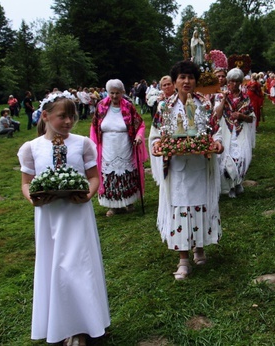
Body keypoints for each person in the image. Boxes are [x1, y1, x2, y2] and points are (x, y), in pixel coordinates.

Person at [17, 93, 110, 345]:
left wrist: (88, 194)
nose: (68, 121)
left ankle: (83, 324)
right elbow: (26, 184)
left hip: (77, 214)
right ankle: (60, 323)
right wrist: (33, 198)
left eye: (72, 116)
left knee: (78, 266)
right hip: (49, 216)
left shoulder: (82, 144)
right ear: (45, 116)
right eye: (62, 116)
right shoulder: (31, 148)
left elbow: (93, 177)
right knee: (55, 266)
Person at [149, 60, 224, 280]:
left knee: (200, 203)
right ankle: (183, 259)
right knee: (179, 206)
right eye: (182, 77)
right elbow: (155, 134)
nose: (187, 81)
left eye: (190, 77)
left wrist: (217, 143)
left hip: (200, 165)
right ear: (174, 82)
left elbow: (215, 131)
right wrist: (156, 145)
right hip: (177, 169)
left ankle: (199, 248)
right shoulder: (164, 107)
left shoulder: (205, 104)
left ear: (196, 81)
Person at [90, 79, 148, 217]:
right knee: (110, 174)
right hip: (107, 145)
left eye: (117, 93)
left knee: (126, 173)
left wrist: (139, 136)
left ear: (122, 92)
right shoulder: (101, 106)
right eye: (112, 93)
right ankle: (113, 205)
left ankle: (128, 201)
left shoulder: (128, 107)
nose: (114, 96)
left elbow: (140, 124)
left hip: (124, 144)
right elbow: (94, 126)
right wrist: (93, 144)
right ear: (108, 93)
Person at [214, 67, 255, 198]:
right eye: (232, 81)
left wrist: (241, 116)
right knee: (227, 159)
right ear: (228, 82)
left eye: (237, 81)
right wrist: (223, 99)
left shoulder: (245, 98)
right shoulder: (221, 96)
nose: (234, 84)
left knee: (242, 158)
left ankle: (237, 183)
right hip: (226, 131)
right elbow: (218, 115)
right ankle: (230, 186)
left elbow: (251, 118)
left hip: (241, 132)